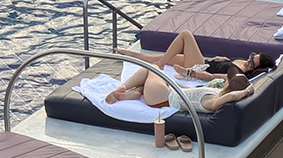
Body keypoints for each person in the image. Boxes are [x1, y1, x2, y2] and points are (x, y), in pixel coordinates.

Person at [107, 31, 259, 110]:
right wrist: (172, 82)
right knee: (158, 69)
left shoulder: (214, 100)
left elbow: (231, 96)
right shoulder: (214, 92)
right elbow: (188, 92)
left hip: (163, 98)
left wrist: (247, 91)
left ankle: (125, 86)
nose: (227, 80)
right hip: (167, 93)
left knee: (153, 68)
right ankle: (135, 91)